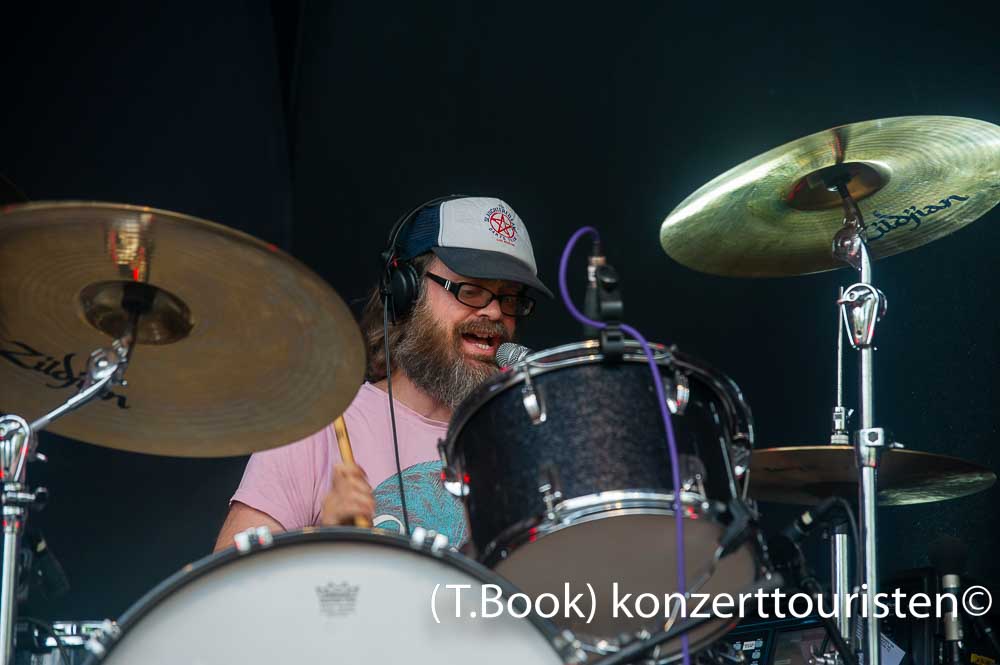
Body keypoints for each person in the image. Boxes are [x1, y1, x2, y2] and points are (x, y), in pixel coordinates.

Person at [213, 196, 552, 552]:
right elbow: (234, 581)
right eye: (471, 290)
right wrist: (324, 543)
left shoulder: (527, 440)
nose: (495, 313)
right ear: (407, 291)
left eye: (510, 298)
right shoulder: (318, 428)